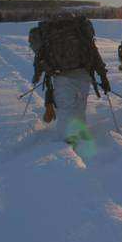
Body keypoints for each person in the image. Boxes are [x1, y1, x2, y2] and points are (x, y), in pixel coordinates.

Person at [29, 14, 110, 145]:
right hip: (84, 73)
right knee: (80, 105)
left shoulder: (47, 33)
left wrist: (36, 77)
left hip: (61, 75)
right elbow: (93, 53)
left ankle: (68, 141)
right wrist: (103, 76)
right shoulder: (79, 30)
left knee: (66, 108)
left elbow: (40, 58)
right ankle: (80, 133)